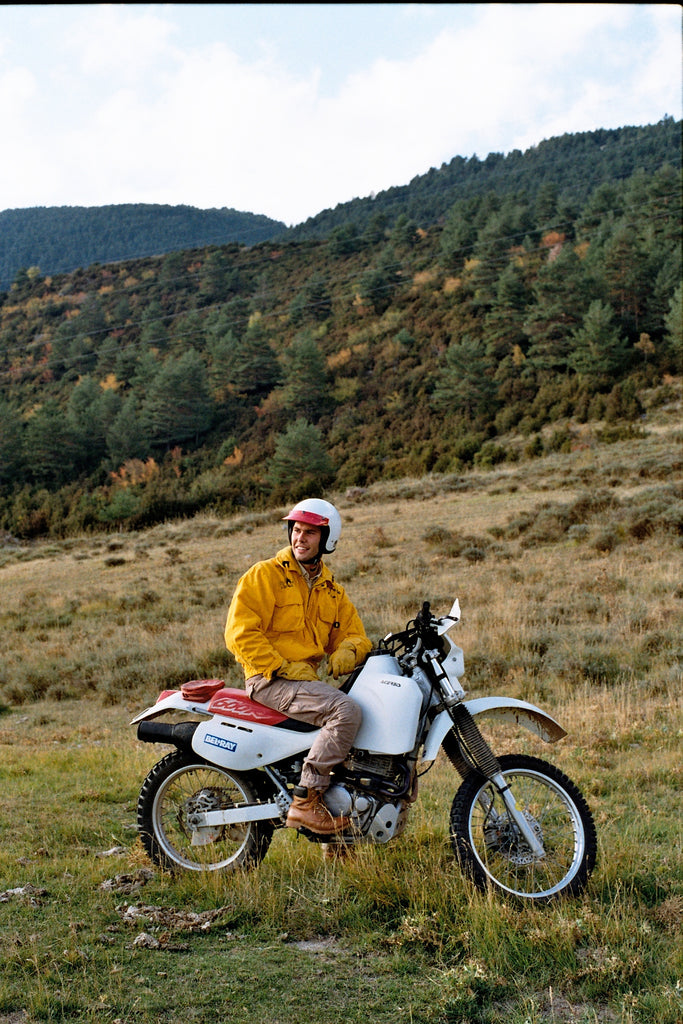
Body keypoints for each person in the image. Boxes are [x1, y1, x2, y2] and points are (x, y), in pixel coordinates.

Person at [224, 498, 372, 835]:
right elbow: (239, 634)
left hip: (305, 685)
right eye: (296, 530)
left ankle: (338, 837)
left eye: (308, 533)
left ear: (327, 539)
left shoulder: (331, 591)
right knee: (345, 712)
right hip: (268, 680)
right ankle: (305, 802)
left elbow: (356, 635)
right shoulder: (265, 575)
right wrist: (282, 666)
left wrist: (348, 650)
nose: (299, 538)